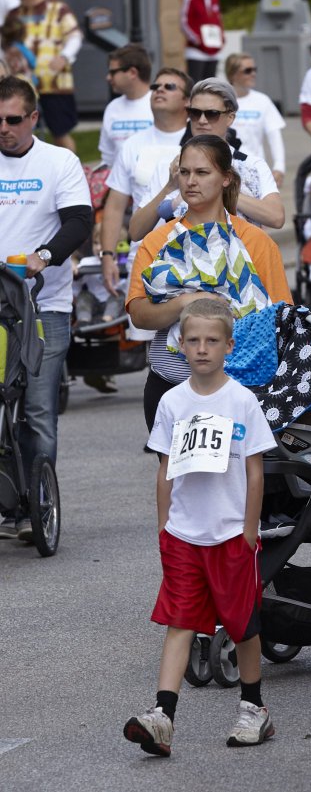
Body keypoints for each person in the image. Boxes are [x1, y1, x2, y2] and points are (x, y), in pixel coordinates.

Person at [122, 298, 278, 757]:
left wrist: (248, 531)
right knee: (180, 622)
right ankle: (162, 717)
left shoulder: (242, 400)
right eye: (193, 340)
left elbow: (254, 472)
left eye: (212, 340)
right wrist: (164, 527)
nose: (202, 348)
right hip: (184, 534)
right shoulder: (172, 402)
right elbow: (164, 468)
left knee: (242, 625)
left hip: (231, 534)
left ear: (229, 345)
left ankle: (254, 709)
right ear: (181, 345)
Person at [125, 135, 292, 431]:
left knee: (242, 463)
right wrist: (188, 302)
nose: (191, 181)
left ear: (226, 178)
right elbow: (139, 315)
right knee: (171, 463)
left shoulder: (256, 241)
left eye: (202, 173)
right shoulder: (157, 240)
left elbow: (280, 317)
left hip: (241, 390)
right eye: (185, 172)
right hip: (170, 385)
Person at [0, 76, 91, 542]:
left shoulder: (59, 161)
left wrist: (45, 256)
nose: (4, 128)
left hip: (43, 305)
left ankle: (35, 503)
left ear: (34, 118)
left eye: (13, 119)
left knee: (37, 409)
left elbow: (79, 221)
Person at [130, 79, 285, 237]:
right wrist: (170, 187)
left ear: (230, 117)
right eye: (195, 113)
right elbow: (135, 232)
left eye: (212, 114)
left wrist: (221, 190)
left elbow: (276, 218)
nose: (202, 120)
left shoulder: (251, 164)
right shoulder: (168, 166)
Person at [99, 68, 193, 295]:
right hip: (143, 255)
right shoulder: (132, 144)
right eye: (155, 86)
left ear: (187, 101)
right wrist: (108, 255)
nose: (159, 90)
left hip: (193, 255)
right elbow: (115, 206)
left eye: (169, 86)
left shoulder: (201, 142)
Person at [15, 0, 82, 152]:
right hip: (24, 83)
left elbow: (75, 36)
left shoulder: (58, 8)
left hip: (55, 82)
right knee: (20, 130)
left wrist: (64, 56)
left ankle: (70, 166)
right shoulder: (17, 12)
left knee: (60, 132)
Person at [225, 53, 285, 187]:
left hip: (254, 171)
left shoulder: (263, 101)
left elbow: (274, 135)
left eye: (254, 69)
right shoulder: (221, 100)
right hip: (225, 169)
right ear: (232, 75)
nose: (253, 74)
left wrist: (279, 167)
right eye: (247, 71)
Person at [99, 45, 153, 167]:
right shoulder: (112, 108)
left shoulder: (160, 104)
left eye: (113, 72)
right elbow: (108, 158)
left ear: (132, 73)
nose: (108, 77)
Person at [180, 0, 223, 83]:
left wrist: (221, 38)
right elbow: (184, 22)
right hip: (196, 51)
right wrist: (196, 39)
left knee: (210, 83)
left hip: (213, 47)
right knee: (195, 83)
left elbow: (218, 20)